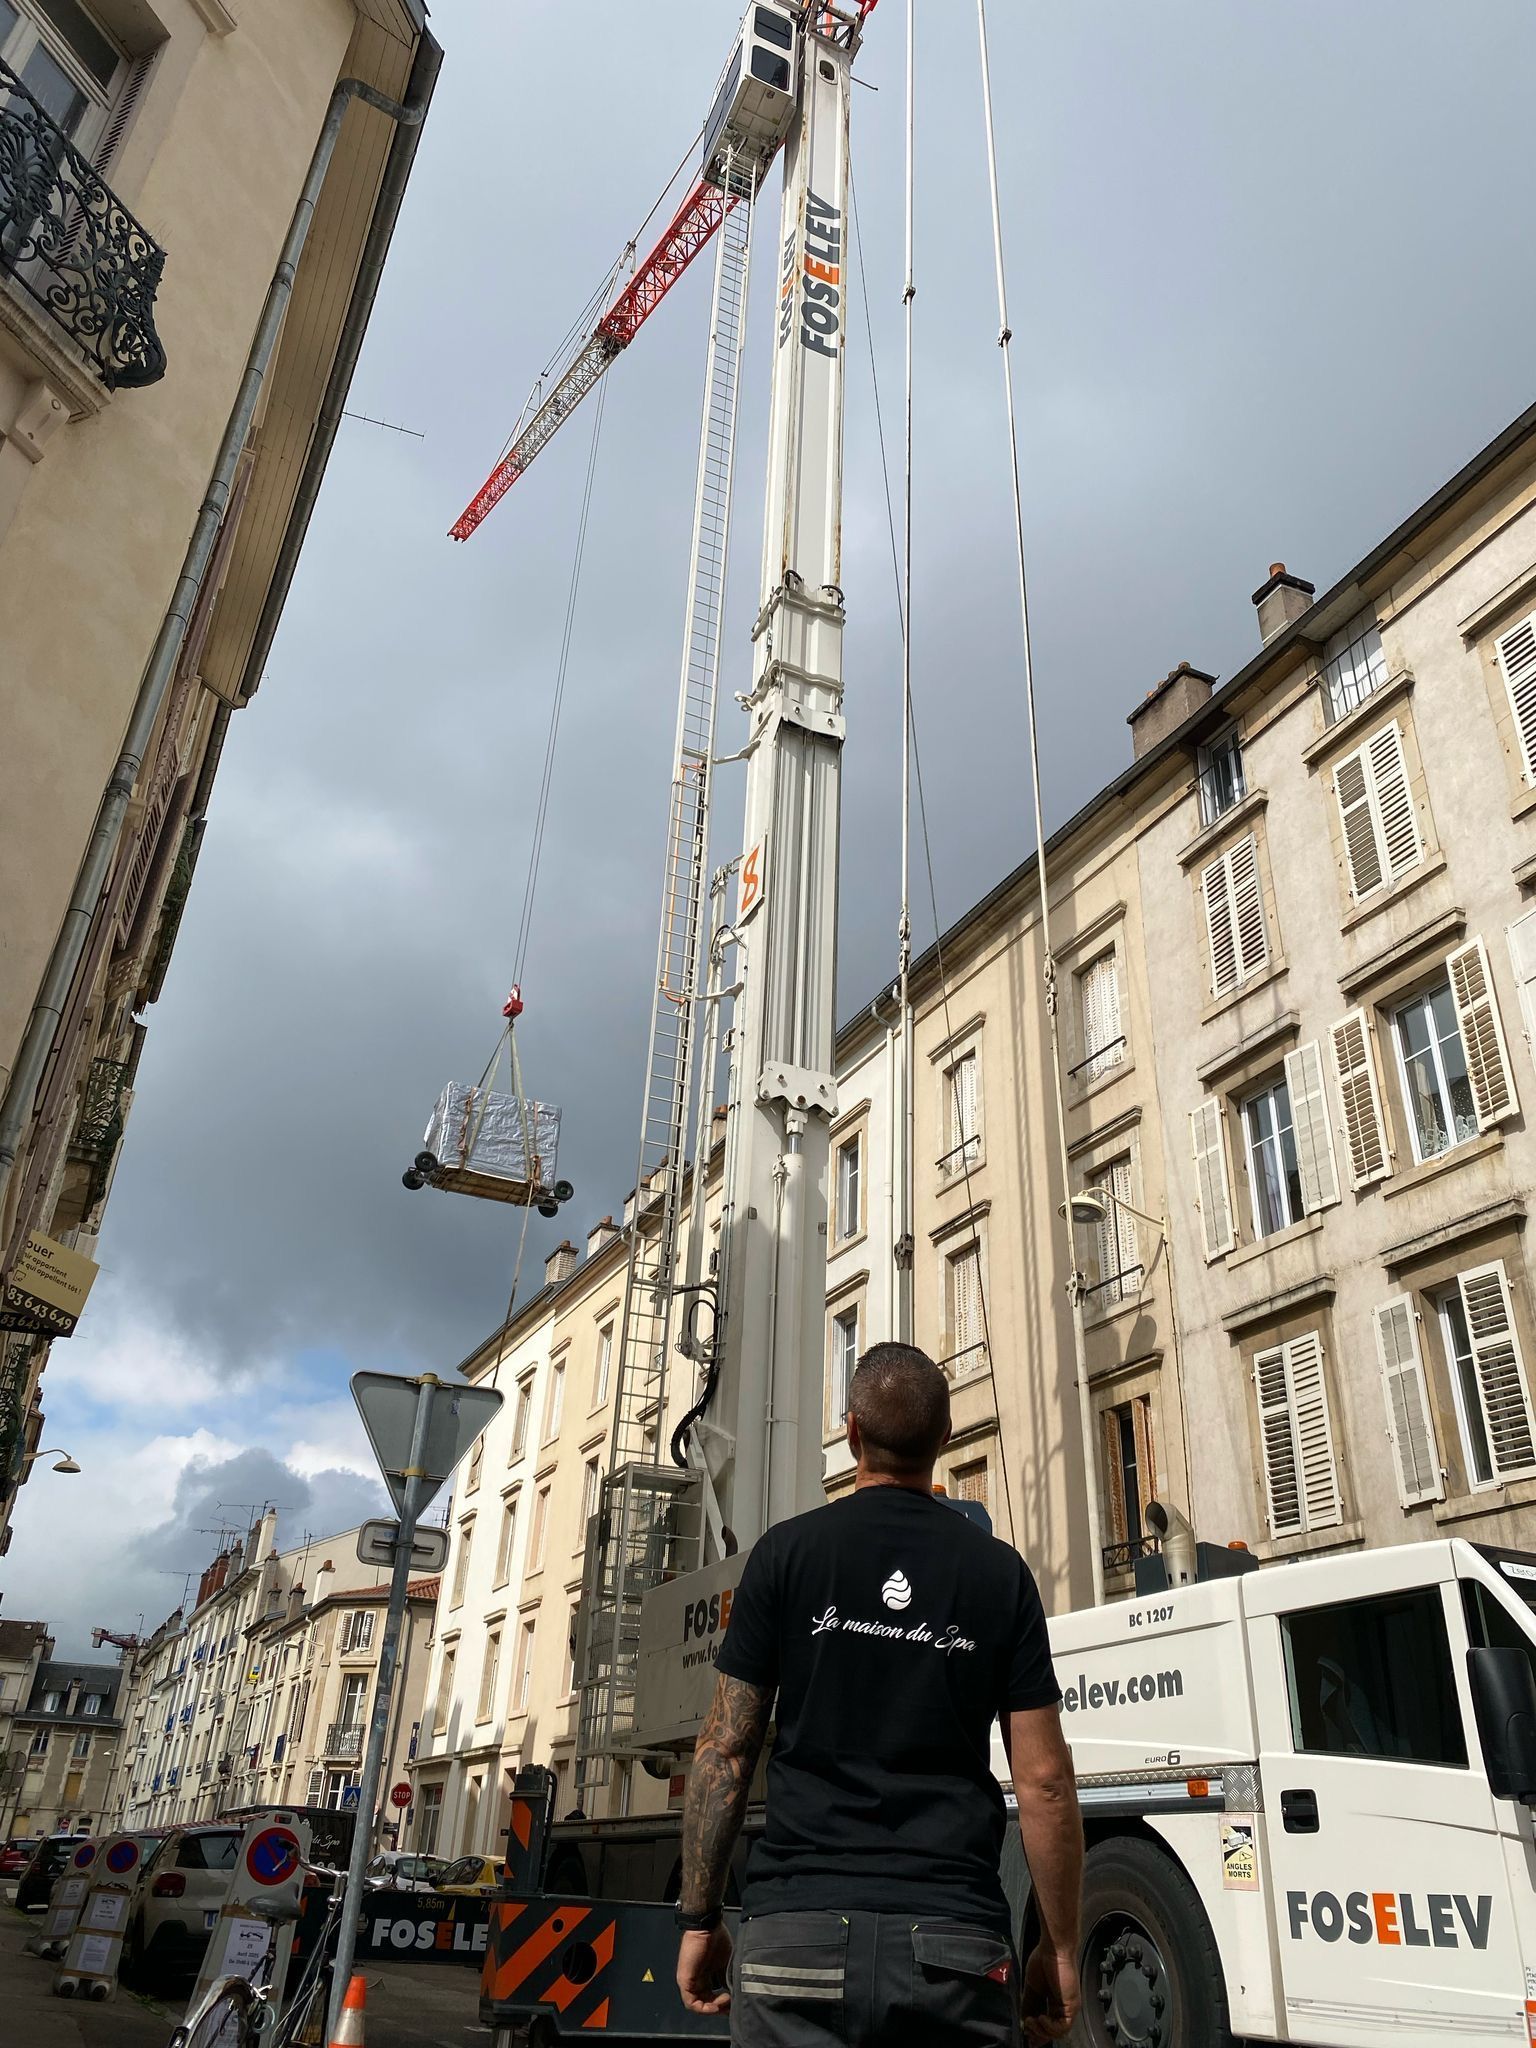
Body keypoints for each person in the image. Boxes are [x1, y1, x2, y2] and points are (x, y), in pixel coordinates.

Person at [674, 1342, 1082, 2046]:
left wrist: (700, 1918)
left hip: (794, 1937)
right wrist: (1063, 1947)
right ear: (945, 1441)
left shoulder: (785, 1555)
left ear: (853, 1431)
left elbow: (726, 1751)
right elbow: (1044, 1783)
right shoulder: (999, 1575)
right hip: (953, 1948)